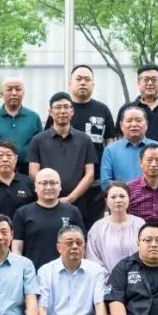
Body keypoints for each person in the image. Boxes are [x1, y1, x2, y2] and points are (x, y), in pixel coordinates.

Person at [29, 92, 98, 229]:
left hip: (77, 205)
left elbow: (90, 174)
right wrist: (50, 194)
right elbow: (32, 172)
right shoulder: (38, 140)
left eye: (66, 107)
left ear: (72, 111)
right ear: (50, 112)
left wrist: (70, 198)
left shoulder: (84, 139)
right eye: (58, 107)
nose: (62, 111)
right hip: (45, 204)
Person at [12, 168, 84, 270]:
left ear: (60, 186)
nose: (49, 187)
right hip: (33, 273)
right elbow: (17, 248)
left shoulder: (73, 211)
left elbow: (81, 245)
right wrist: (22, 271)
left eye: (53, 183)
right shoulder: (23, 213)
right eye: (44, 183)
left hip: (67, 272)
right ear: (35, 187)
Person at [45, 65, 116, 159]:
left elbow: (109, 140)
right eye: (78, 79)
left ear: (93, 84)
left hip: (96, 166)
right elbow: (47, 139)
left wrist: (107, 162)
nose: (83, 83)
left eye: (87, 79)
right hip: (64, 164)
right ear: (70, 84)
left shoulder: (103, 110)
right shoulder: (60, 111)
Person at [114, 64, 158, 147]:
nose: (150, 83)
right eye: (146, 79)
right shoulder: (127, 109)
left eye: (154, 80)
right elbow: (119, 138)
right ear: (138, 83)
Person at [100, 106, 158, 190]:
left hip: (152, 196)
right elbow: (106, 182)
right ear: (121, 125)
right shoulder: (110, 150)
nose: (134, 124)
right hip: (122, 197)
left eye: (139, 120)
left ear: (146, 124)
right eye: (129, 121)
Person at [86, 181, 145, 273]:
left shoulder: (139, 224)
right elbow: (93, 258)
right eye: (113, 197)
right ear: (106, 200)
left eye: (122, 196)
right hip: (107, 280)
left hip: (138, 278)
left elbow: (146, 253)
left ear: (129, 198)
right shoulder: (98, 228)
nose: (118, 200)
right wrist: (110, 279)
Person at [0, 77, 41, 170]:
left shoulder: (33, 117)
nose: (14, 93)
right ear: (1, 94)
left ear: (23, 93)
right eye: (9, 89)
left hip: (26, 172)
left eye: (18, 89)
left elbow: (40, 146)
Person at [0, 140, 35, 218]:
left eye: (9, 155)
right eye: (0, 155)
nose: (5, 159)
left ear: (16, 158)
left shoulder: (29, 184)